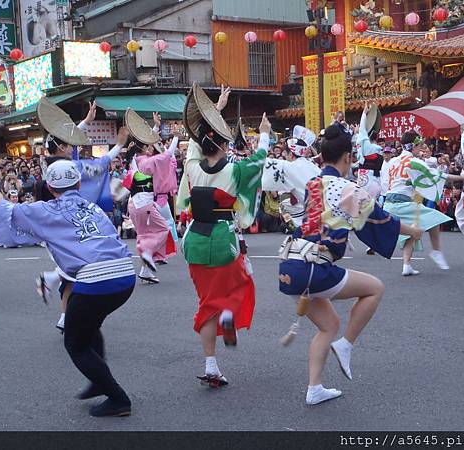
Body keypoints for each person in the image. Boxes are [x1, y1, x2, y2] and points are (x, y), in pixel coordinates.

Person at [278, 124, 421, 405]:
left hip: (290, 265)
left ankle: (315, 388)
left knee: (328, 324)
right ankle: (345, 345)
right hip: (315, 266)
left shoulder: (312, 185)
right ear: (347, 157)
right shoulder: (348, 188)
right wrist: (415, 231)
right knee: (375, 288)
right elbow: (381, 220)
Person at [0, 160, 136, 417]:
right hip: (125, 275)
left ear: (50, 186)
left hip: (96, 280)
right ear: (78, 183)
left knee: (75, 343)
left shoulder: (45, 210)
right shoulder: (92, 206)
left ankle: (118, 398)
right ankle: (98, 382)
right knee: (89, 326)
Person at [176, 83, 269, 387]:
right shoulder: (235, 171)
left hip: (194, 242)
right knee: (240, 283)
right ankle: (229, 315)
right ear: (224, 146)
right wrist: (265, 133)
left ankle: (211, 364)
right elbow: (260, 160)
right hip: (222, 238)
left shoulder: (190, 165)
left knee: (206, 303)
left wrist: (216, 108)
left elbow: (195, 140)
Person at [33, 98, 129, 332]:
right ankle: (51, 279)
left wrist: (85, 122)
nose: (72, 146)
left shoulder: (51, 163)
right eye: (68, 143)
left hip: (55, 224)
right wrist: (118, 145)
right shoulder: (70, 168)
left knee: (73, 276)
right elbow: (100, 164)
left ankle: (64, 315)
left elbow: (73, 142)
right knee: (77, 269)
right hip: (67, 226)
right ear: (63, 147)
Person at [381, 130, 464, 276]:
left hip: (389, 202)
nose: (421, 150)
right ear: (414, 146)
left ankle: (406, 265)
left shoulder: (393, 161)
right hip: (403, 203)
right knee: (436, 219)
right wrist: (462, 178)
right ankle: (437, 251)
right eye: (420, 146)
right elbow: (439, 175)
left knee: (412, 232)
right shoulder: (414, 161)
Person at [123, 109, 178, 283]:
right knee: (163, 229)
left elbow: (146, 142)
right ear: (145, 148)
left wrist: (156, 126)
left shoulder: (134, 160)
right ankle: (147, 254)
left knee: (144, 235)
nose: (150, 148)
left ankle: (145, 270)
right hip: (144, 205)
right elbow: (167, 154)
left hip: (134, 204)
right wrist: (176, 137)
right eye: (148, 146)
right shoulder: (148, 162)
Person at [262, 125, 321, 229]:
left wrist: (264, 135)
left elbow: (260, 162)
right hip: (322, 216)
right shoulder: (314, 166)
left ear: (291, 155)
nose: (284, 157)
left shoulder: (289, 167)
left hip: (308, 221)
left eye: (286, 154)